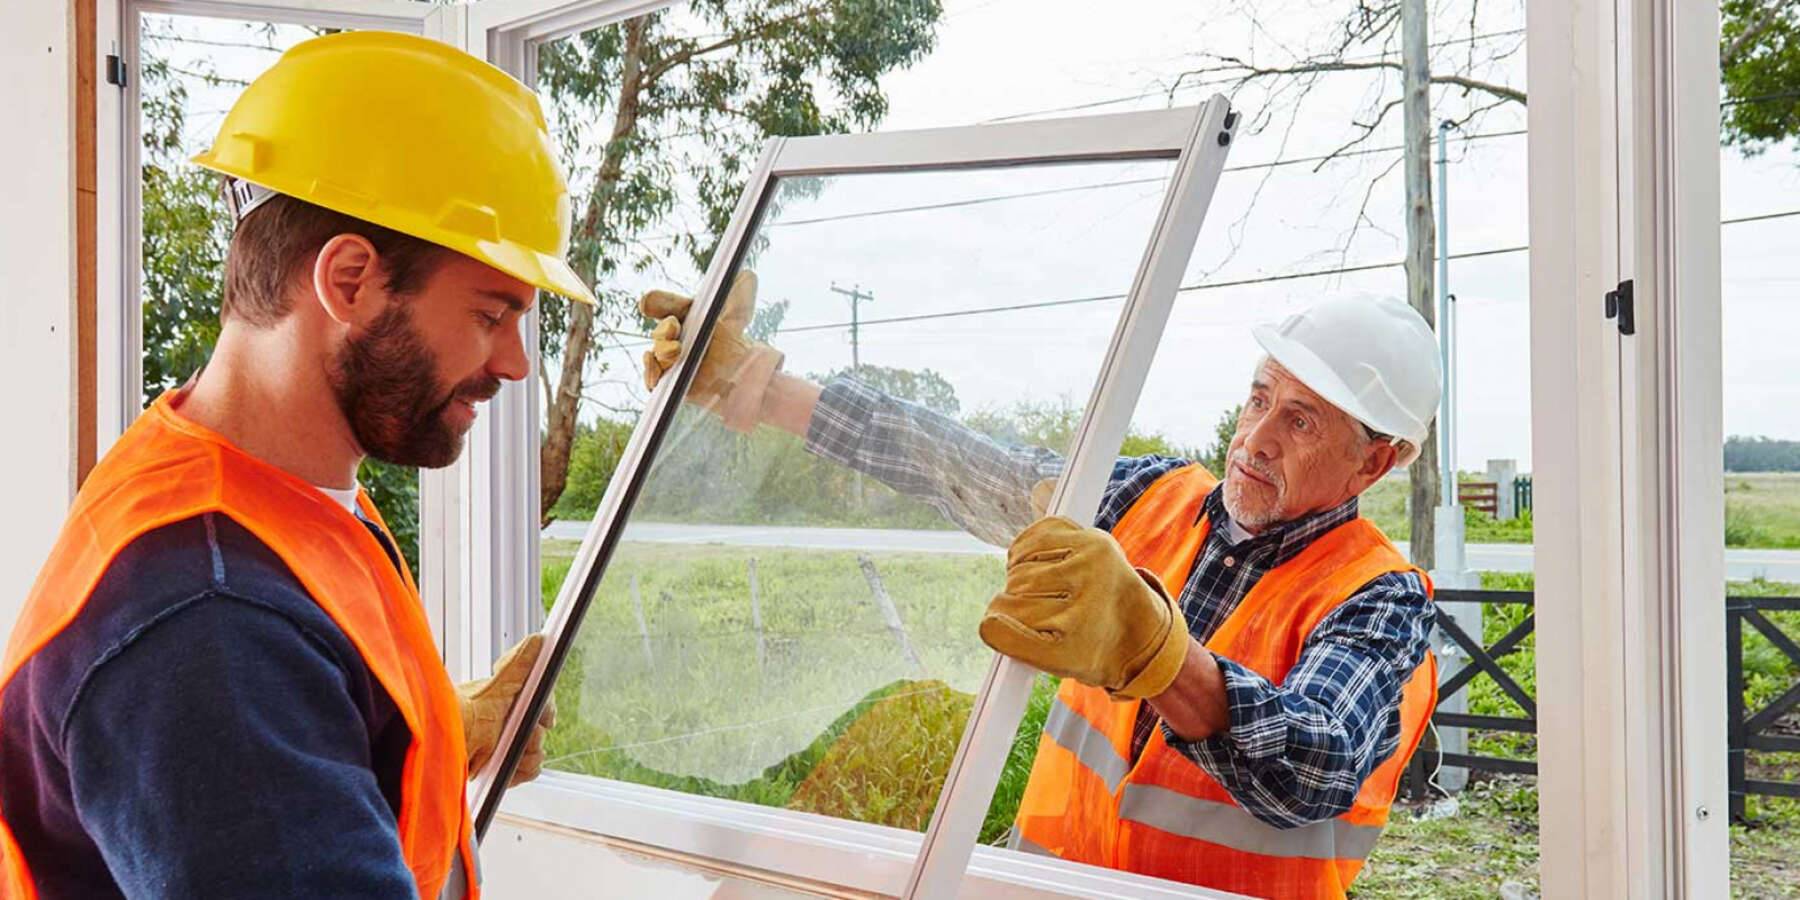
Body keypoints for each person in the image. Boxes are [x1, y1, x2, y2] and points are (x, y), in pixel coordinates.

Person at [0, 31, 592, 899]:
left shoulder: (261, 488)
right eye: (490, 314)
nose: (514, 361)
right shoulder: (207, 625)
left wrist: (419, 730)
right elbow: (229, 710)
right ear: (348, 280)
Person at [641, 273, 1442, 899]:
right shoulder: (1149, 502)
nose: (1255, 440)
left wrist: (1159, 653)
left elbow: (1316, 764)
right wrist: (760, 388)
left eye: (1300, 421)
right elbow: (963, 464)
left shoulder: (1380, 598)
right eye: (1259, 399)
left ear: (1374, 462)